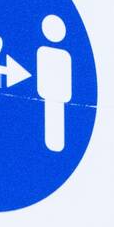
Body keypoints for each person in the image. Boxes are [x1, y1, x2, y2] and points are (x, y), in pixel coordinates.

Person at [36, 15, 71, 152]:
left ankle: (54, 148)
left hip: (56, 96)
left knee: (56, 130)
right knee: (52, 129)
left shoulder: (59, 55)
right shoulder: (44, 52)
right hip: (50, 95)